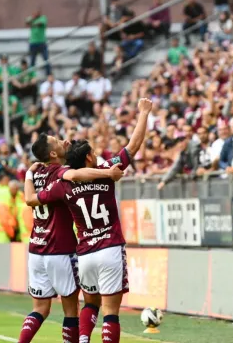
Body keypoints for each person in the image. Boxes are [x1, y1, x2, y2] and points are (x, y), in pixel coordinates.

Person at [24, 98, 152, 343]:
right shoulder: (105, 171)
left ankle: (83, 340)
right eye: (93, 152)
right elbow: (133, 146)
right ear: (90, 159)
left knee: (90, 303)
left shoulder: (62, 184)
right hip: (110, 248)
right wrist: (144, 113)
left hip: (85, 254)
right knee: (111, 312)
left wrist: (31, 173)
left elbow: (33, 199)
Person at [16, 134, 125, 343]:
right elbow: (75, 175)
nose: (62, 140)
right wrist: (107, 173)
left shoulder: (37, 171)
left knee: (39, 308)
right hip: (59, 249)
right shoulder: (61, 172)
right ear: (53, 153)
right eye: (57, 141)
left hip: (35, 249)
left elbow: (29, 199)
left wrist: (29, 174)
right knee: (71, 310)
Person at [26, 10, 51, 76]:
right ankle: (31, 75)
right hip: (33, 43)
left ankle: (48, 74)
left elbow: (40, 23)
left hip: (42, 42)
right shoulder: (30, 18)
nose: (35, 14)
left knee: (46, 59)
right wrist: (32, 19)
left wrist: (32, 23)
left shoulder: (43, 18)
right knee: (32, 61)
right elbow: (27, 23)